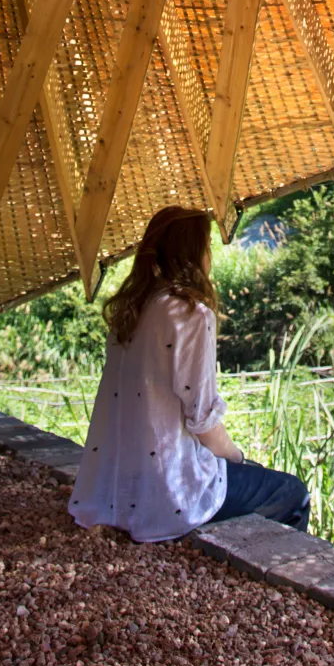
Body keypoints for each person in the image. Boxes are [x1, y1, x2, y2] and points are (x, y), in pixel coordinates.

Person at [69, 205, 310, 542]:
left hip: (117, 483)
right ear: (194, 252)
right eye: (207, 245)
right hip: (168, 489)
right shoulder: (189, 312)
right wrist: (239, 459)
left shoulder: (132, 308)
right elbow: (202, 419)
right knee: (293, 493)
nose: (210, 254)